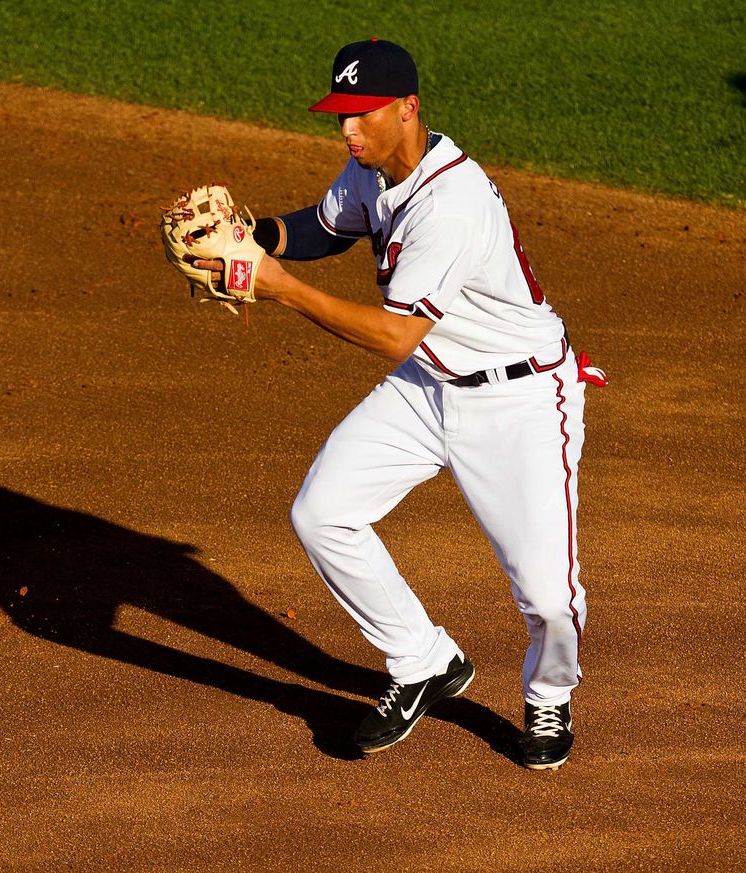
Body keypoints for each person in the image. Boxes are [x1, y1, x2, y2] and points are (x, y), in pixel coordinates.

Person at [192, 39, 604, 769]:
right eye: (340, 116)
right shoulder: (371, 169)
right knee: (323, 512)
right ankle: (423, 660)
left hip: (520, 401)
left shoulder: (452, 203)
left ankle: (549, 693)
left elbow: (393, 334)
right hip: (431, 382)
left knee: (547, 596)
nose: (347, 130)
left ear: (408, 108)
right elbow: (325, 227)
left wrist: (276, 285)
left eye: (361, 114)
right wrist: (250, 237)